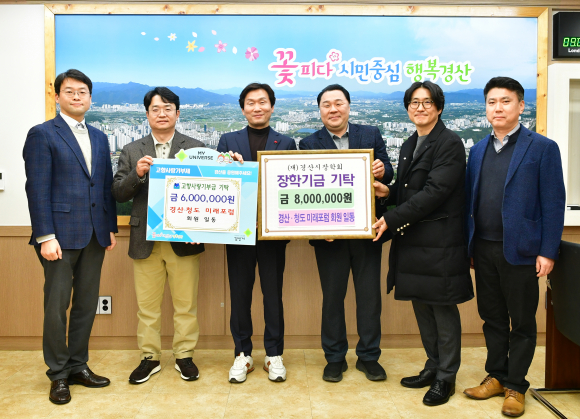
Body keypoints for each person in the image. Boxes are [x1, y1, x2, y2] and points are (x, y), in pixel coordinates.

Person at [463, 77, 565, 417]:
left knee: (521, 321)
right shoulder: (478, 149)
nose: (498, 108)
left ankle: (516, 386)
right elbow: (471, 200)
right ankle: (496, 376)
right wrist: (470, 246)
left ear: (521, 106)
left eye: (505, 101)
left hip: (522, 251)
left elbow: (554, 203)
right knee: (491, 317)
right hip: (484, 249)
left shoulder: (542, 148)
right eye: (492, 102)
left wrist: (548, 251)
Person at [373, 81, 473, 406]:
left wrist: (390, 218)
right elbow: (409, 191)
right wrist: (388, 194)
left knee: (442, 309)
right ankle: (433, 365)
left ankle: (446, 377)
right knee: (422, 305)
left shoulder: (450, 143)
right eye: (414, 102)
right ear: (407, 108)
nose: (420, 107)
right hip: (414, 240)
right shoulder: (410, 143)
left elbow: (434, 193)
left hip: (440, 242)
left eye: (427, 102)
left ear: (439, 108)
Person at [23, 69, 117, 404]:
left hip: (94, 235)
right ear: (57, 96)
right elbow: (37, 189)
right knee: (56, 306)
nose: (77, 97)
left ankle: (78, 365)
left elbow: (104, 186)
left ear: (90, 98)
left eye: (82, 92)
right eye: (70, 91)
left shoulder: (100, 137)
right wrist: (45, 235)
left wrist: (109, 226)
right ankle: (58, 374)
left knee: (86, 305)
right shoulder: (42, 134)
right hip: (59, 237)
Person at [299, 84, 393, 383]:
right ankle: (335, 358)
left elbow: (389, 170)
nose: (333, 109)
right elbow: (305, 192)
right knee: (332, 298)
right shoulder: (308, 143)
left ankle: (369, 357)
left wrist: (382, 171)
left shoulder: (370, 134)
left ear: (349, 107)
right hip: (330, 237)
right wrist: (317, 228)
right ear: (320, 110)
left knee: (369, 298)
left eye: (338, 103)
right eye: (326, 105)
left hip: (366, 231)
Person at [112, 87, 206, 384]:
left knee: (185, 305)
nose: (162, 114)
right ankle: (149, 357)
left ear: (177, 113)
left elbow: (209, 192)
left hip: (184, 238)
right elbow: (118, 192)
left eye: (168, 108)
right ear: (147, 114)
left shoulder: (196, 147)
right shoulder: (132, 149)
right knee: (147, 307)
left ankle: (184, 355)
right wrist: (137, 174)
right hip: (145, 239)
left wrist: (200, 228)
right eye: (155, 109)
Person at [217, 83, 296, 383]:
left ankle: (274, 354)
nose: (257, 107)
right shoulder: (228, 140)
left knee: (273, 293)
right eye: (251, 102)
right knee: (239, 294)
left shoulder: (286, 142)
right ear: (243, 109)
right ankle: (242, 353)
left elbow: (291, 186)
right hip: (238, 230)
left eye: (263, 102)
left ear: (272, 107)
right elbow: (219, 184)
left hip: (272, 231)